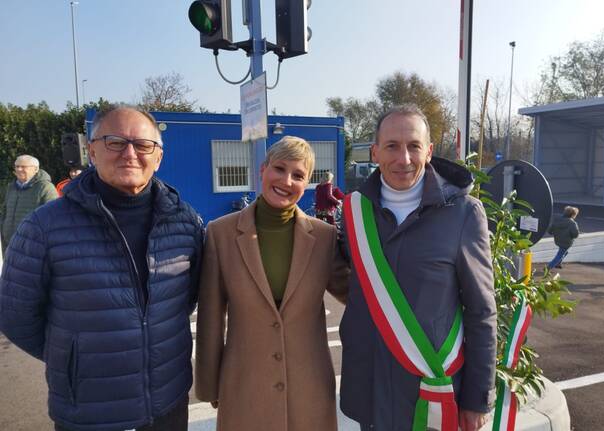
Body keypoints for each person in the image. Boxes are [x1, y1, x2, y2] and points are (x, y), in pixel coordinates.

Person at [0, 105, 204, 431]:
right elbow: (15, 315)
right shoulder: (44, 227)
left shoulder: (185, 220)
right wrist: (72, 360)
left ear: (159, 157)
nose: (130, 153)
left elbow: (187, 297)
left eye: (143, 145)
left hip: (168, 401)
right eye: (115, 142)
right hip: (90, 410)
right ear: (92, 151)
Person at [339, 105, 496, 431]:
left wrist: (476, 399)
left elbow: (482, 312)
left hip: (432, 388)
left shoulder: (464, 213)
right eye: (392, 146)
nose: (404, 158)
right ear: (375, 151)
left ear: (429, 151)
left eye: (413, 146)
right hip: (369, 386)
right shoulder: (354, 211)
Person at [195, 136, 349, 431]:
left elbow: (356, 296)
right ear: (262, 170)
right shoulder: (220, 234)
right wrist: (209, 385)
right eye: (279, 168)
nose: (287, 180)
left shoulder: (325, 237)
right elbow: (211, 318)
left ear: (307, 184)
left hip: (310, 386)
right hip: (244, 385)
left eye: (298, 175)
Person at [0, 154, 57, 252]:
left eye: (23, 167)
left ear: (35, 169)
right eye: (17, 166)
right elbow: (5, 212)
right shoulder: (11, 187)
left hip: (33, 246)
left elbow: (54, 217)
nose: (18, 169)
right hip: (9, 244)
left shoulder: (45, 187)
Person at [547, 205, 580, 270]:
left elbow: (550, 230)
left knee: (564, 252)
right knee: (560, 254)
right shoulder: (572, 223)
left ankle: (558, 263)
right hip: (567, 242)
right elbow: (575, 234)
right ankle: (548, 267)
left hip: (558, 240)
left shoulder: (557, 219)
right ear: (573, 215)